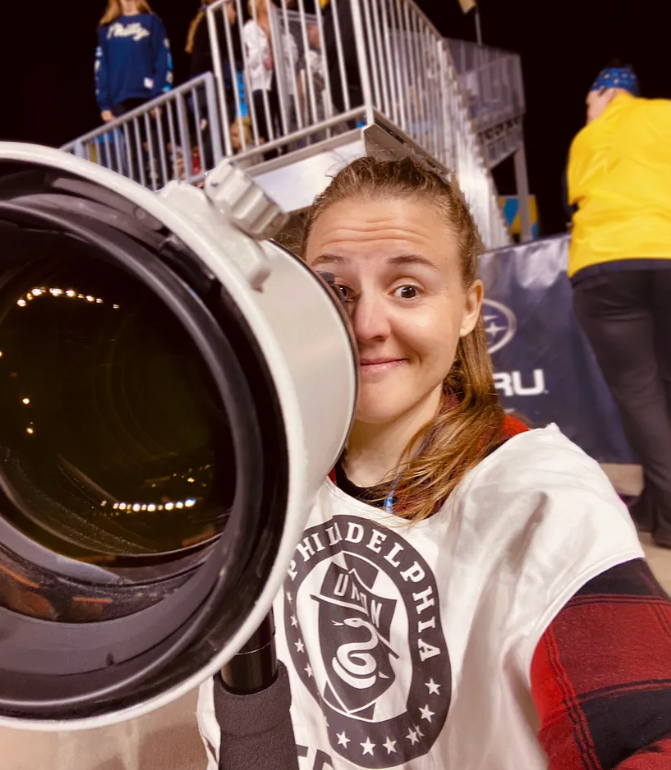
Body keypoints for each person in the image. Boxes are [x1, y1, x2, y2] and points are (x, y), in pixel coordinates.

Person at [197, 155, 671, 769]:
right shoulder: (264, 472)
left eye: (408, 289)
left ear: (470, 308)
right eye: (334, 290)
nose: (366, 324)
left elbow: (642, 729)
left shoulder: (540, 497)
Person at [567, 64, 671, 548]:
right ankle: (656, 502)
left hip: (608, 261)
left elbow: (578, 204)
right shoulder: (665, 115)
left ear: (607, 92)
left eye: (590, 97)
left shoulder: (588, 138)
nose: (588, 108)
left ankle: (667, 515)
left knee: (641, 394)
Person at [95, 0, 173, 123]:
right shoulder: (107, 28)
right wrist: (105, 105)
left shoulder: (151, 21)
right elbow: (102, 68)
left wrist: (159, 96)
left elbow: (162, 60)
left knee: (152, 141)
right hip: (119, 100)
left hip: (148, 97)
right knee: (131, 141)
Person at [186, 0, 243, 126]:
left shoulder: (206, 18)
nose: (236, 14)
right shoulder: (216, 16)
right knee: (219, 127)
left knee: (213, 128)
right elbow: (235, 50)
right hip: (208, 88)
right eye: (233, 8)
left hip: (201, 89)